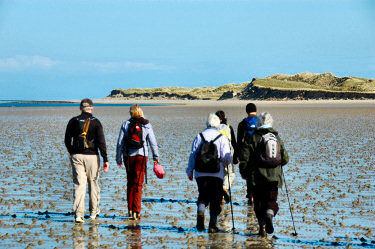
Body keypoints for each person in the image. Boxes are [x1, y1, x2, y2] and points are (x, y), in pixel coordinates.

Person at [239, 112, 289, 237]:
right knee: (271, 200)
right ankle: (270, 214)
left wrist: (243, 172)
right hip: (274, 178)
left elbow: (244, 157)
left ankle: (262, 227)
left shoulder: (253, 138)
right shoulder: (276, 137)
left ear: (259, 123)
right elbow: (285, 159)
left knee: (259, 203)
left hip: (256, 178)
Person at [64, 98, 109, 223]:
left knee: (79, 185)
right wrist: (105, 159)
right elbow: (101, 142)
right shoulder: (96, 122)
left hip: (77, 156)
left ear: (80, 108)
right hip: (92, 157)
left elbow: (67, 140)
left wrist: (71, 151)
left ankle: (79, 214)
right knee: (93, 184)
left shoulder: (73, 121)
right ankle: (93, 212)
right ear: (92, 108)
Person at [186, 113, 231, 233]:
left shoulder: (199, 136)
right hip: (217, 174)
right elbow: (227, 159)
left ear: (207, 124)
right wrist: (226, 164)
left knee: (203, 195)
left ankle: (201, 210)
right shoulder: (222, 138)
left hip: (201, 173)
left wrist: (190, 170)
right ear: (218, 125)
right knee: (216, 199)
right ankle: (212, 225)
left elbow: (193, 155)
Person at [116, 104, 160, 220]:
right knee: (138, 184)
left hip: (128, 157)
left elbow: (120, 143)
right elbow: (153, 143)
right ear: (141, 112)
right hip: (142, 156)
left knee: (130, 183)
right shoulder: (146, 125)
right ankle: (136, 211)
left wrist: (118, 158)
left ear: (131, 113)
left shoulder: (126, 124)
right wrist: (156, 158)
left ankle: (130, 210)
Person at [237, 103, 259, 205]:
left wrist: (238, 157)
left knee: (249, 175)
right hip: (259, 152)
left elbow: (239, 142)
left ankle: (250, 196)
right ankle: (257, 195)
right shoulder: (261, 122)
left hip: (247, 153)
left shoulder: (242, 123)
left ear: (246, 111)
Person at [215, 110, 238, 203]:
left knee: (219, 175)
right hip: (228, 155)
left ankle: (221, 196)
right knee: (230, 174)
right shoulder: (229, 128)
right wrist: (236, 158)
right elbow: (234, 143)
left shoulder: (213, 129)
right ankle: (224, 189)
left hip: (216, 156)